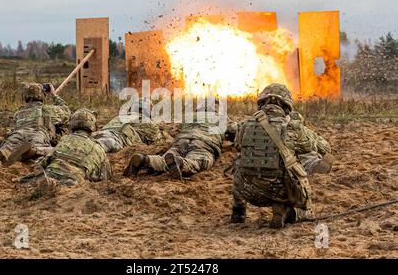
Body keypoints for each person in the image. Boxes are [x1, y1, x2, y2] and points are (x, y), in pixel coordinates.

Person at [230, 83, 332, 228]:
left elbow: (239, 146)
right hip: (279, 192)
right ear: (286, 107)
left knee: (238, 163)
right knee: (296, 169)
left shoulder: (244, 125)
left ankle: (238, 211)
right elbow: (325, 147)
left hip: (249, 192)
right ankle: (288, 211)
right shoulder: (292, 128)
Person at [124, 101, 235, 179]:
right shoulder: (222, 118)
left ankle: (145, 160)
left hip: (181, 141)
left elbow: (177, 130)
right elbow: (235, 132)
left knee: (164, 159)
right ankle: (181, 163)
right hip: (204, 144)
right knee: (198, 161)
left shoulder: (189, 116)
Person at [0, 83, 70, 166]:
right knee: (54, 151)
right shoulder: (47, 110)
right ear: (42, 95)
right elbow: (66, 111)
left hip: (18, 134)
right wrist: (54, 95)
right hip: (37, 134)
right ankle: (34, 151)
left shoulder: (19, 112)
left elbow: (13, 128)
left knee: (7, 147)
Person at [38, 109, 112, 186]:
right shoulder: (98, 149)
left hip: (48, 178)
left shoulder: (64, 140)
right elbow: (105, 180)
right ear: (92, 127)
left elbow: (44, 162)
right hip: (74, 186)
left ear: (71, 125)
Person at [92, 98, 164, 153]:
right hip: (115, 139)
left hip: (99, 133)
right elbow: (159, 144)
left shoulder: (120, 116)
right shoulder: (149, 122)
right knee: (94, 150)